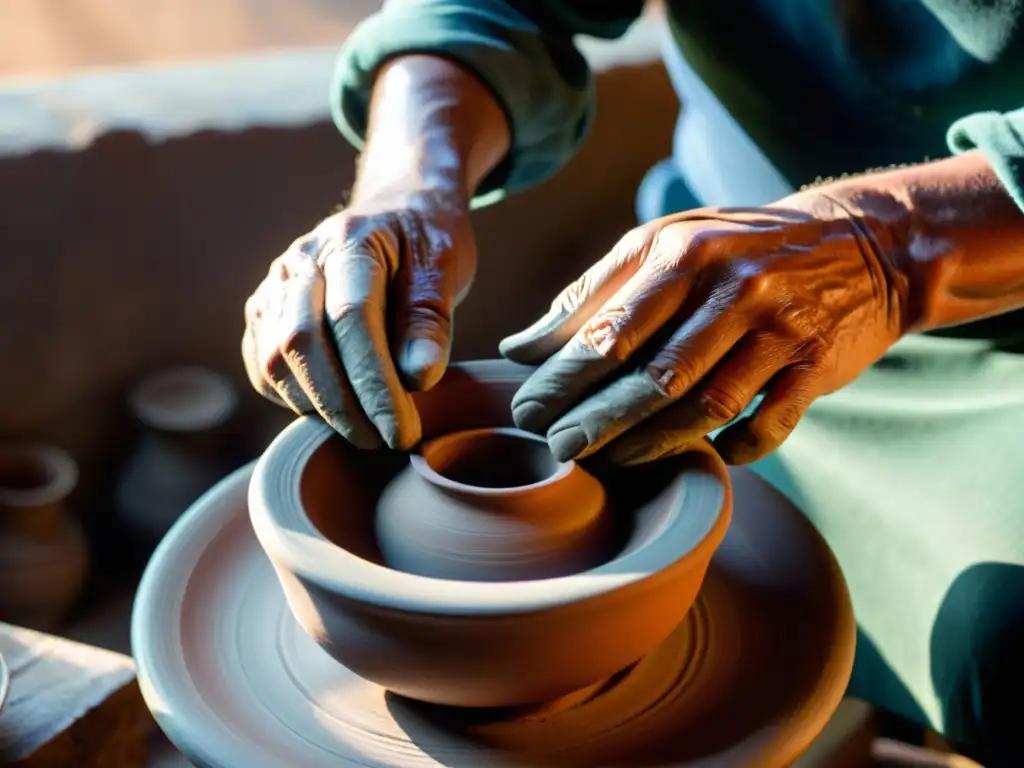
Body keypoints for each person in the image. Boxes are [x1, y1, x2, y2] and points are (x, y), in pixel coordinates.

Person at [241, 2, 1024, 763]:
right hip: (715, 292)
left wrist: (891, 247)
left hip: (999, 300)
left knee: (1003, 645)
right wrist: (408, 184)